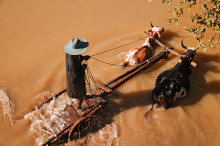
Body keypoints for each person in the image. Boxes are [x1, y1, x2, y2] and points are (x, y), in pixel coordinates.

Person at [64, 37, 90, 109]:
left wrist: (83, 58)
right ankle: (79, 107)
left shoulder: (69, 53)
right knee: (80, 95)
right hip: (75, 83)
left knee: (82, 93)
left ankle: (85, 97)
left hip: (72, 76)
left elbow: (77, 57)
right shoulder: (72, 64)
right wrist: (83, 68)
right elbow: (74, 77)